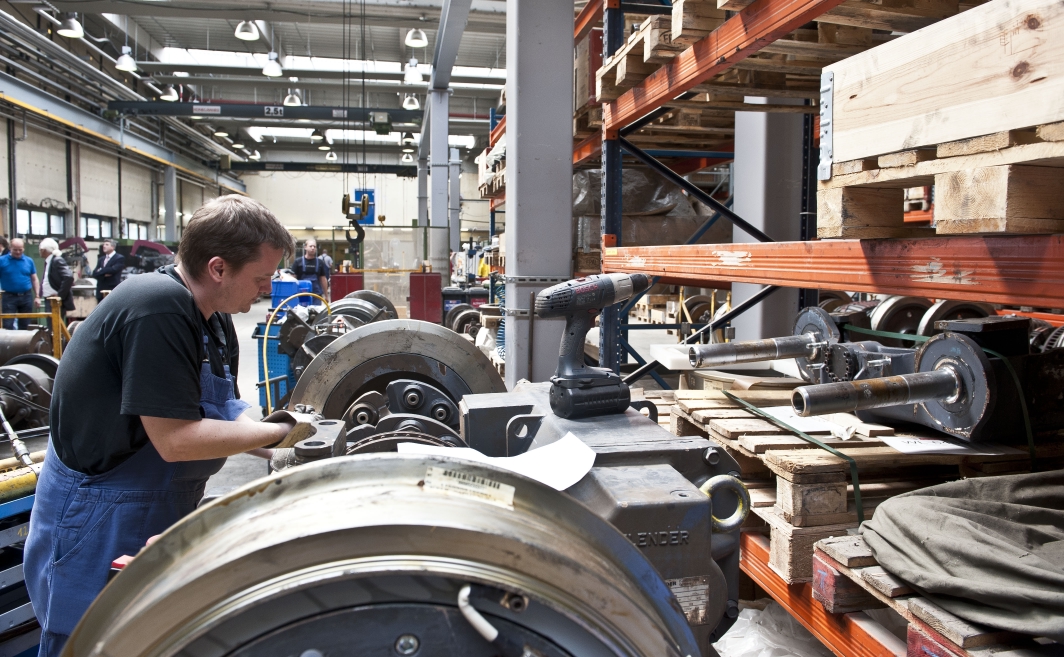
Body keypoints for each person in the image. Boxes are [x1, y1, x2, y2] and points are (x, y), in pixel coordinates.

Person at [25, 195, 309, 656]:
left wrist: (293, 438)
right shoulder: (156, 309)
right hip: (101, 518)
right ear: (218, 268)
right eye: (261, 277)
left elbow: (225, 409)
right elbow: (175, 441)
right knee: (94, 641)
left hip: (156, 507)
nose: (266, 289)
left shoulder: (211, 319)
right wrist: (279, 436)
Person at [0, 239, 39, 330]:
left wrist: (37, 296)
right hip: (8, 297)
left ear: (23, 249)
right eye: (15, 250)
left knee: (25, 325)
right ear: (10, 248)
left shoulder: (29, 261)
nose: (18, 252)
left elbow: (34, 279)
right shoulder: (2, 261)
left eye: (20, 250)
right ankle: (8, 344)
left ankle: (24, 344)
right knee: (7, 324)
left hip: (26, 296)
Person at [39, 238, 75, 320]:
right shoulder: (50, 261)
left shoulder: (57, 260)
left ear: (44, 250)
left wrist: (60, 295)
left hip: (55, 301)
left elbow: (68, 277)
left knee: (54, 327)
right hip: (50, 299)